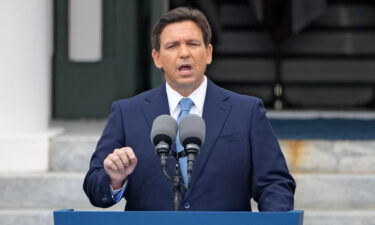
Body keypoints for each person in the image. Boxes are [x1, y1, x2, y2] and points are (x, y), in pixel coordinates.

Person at [83, 7, 295, 211]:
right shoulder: (127, 113)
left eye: (192, 44)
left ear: (208, 53)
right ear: (157, 58)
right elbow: (94, 187)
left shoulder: (246, 112)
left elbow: (275, 184)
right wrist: (114, 179)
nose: (184, 53)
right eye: (172, 45)